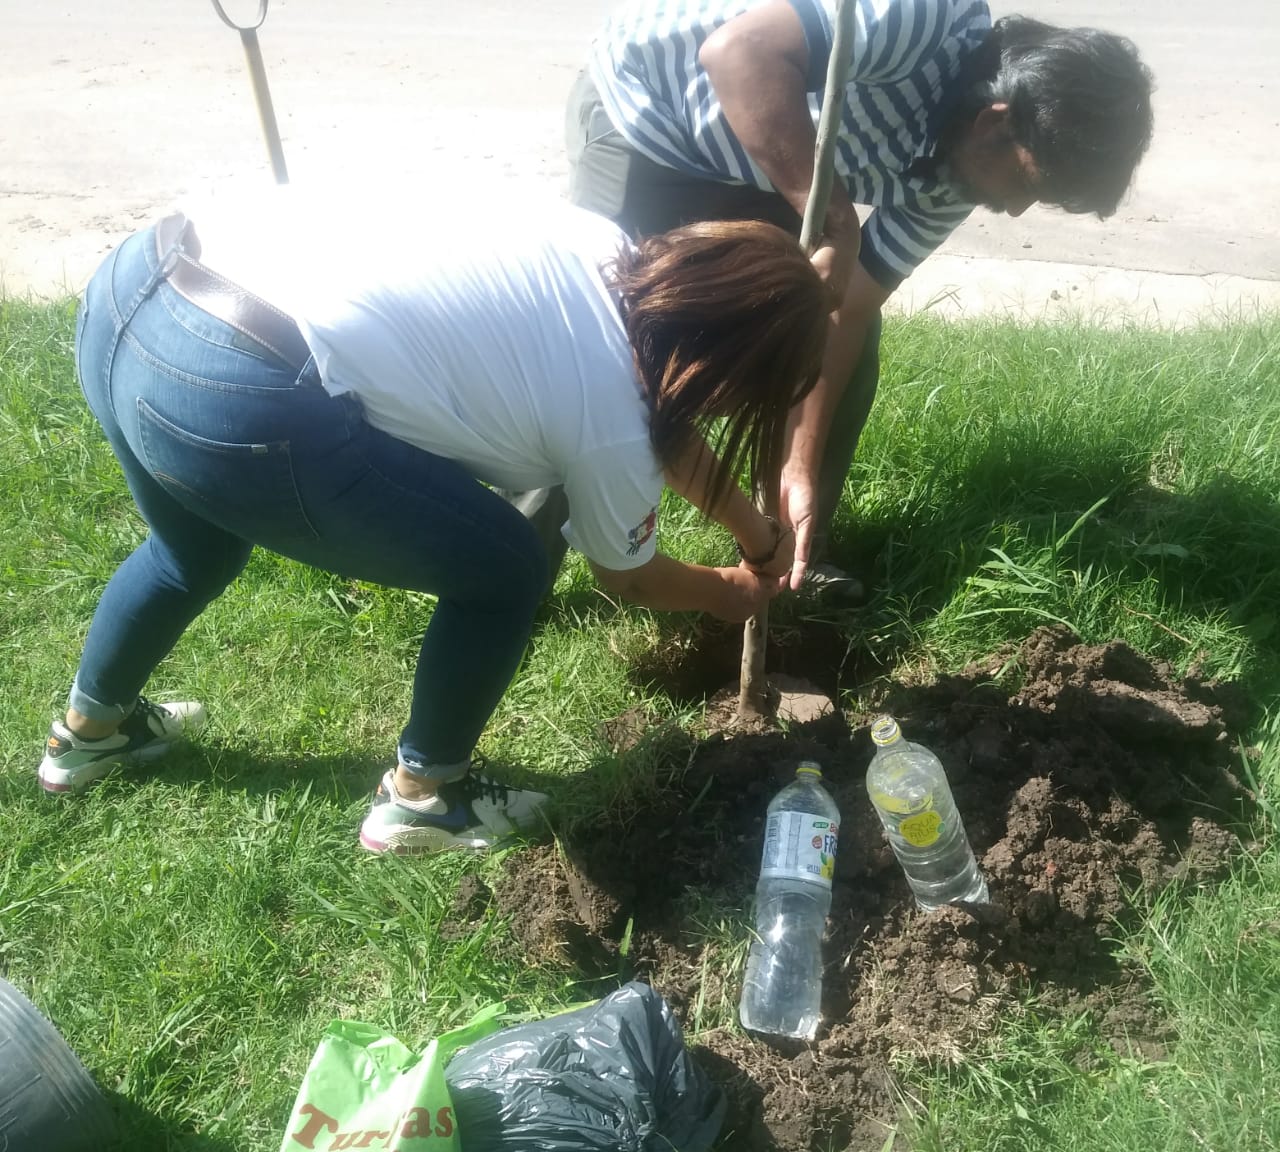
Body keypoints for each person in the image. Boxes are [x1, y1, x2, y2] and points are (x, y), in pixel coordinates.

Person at [38, 185, 829, 851]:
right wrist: (726, 592)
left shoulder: (602, 245)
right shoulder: (612, 417)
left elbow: (667, 422)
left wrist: (754, 533)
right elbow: (630, 577)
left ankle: (90, 733)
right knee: (505, 569)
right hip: (235, 385)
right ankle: (426, 798)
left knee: (190, 552)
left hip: (138, 289)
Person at [529, 0, 1154, 600]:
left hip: (775, 164)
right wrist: (833, 217)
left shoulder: (957, 182)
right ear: (994, 123)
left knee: (831, 337)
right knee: (598, 348)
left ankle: (794, 549)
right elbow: (738, 54)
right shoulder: (925, 16)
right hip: (654, 118)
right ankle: (518, 559)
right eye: (1028, 184)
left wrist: (797, 463)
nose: (1016, 209)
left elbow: (847, 308)